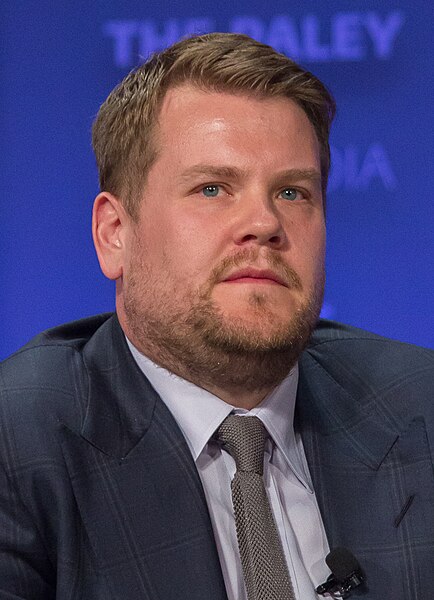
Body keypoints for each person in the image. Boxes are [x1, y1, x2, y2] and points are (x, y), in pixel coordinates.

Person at [0, 33, 433, 600]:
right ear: (115, 235)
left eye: (293, 193)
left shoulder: (419, 406)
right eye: (212, 188)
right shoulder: (19, 444)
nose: (264, 221)